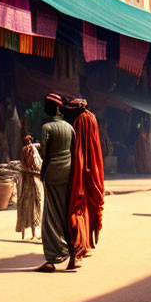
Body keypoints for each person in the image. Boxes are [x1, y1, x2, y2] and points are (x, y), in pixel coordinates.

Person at [37, 92, 76, 272]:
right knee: (65, 213)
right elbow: (75, 152)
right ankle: (73, 256)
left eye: (47, 105)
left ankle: (52, 258)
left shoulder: (47, 127)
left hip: (53, 172)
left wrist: (42, 174)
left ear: (56, 108)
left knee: (51, 216)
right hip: (68, 172)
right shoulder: (70, 128)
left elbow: (45, 155)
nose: (45, 108)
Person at [64, 97, 105, 264]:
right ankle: (86, 242)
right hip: (94, 166)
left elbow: (79, 147)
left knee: (78, 205)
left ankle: (79, 245)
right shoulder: (91, 117)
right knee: (88, 203)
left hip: (82, 168)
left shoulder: (80, 121)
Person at [16, 134, 43, 242]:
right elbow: (37, 163)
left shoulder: (23, 150)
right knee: (35, 204)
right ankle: (34, 234)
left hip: (25, 180)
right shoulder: (31, 149)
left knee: (24, 204)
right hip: (33, 179)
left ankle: (24, 233)